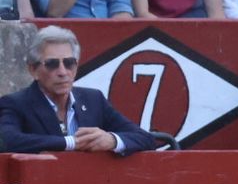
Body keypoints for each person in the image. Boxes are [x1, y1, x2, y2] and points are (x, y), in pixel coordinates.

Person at [0, 26, 156, 154]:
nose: (62, 72)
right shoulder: (15, 103)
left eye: (69, 63)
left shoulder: (94, 99)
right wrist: (71, 142)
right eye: (52, 64)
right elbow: (8, 141)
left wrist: (112, 140)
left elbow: (145, 138)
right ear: (33, 70)